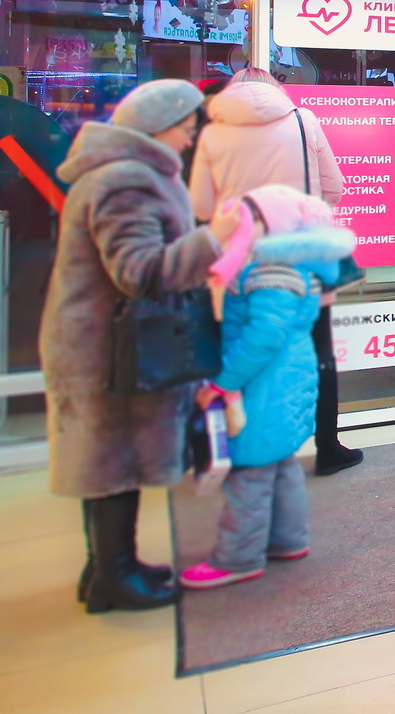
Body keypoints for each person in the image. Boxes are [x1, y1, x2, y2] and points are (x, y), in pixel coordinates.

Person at [41, 78, 243, 613]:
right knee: (113, 456)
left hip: (110, 340)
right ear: (158, 127)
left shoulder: (127, 173)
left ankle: (108, 568)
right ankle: (114, 575)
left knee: (109, 456)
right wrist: (214, 236)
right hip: (111, 347)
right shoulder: (126, 180)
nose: (191, 136)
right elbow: (138, 272)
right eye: (186, 126)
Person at [181, 185, 355, 590]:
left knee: (249, 474)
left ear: (269, 225)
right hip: (287, 377)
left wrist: (223, 382)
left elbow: (263, 337)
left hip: (264, 384)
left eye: (247, 217)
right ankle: (288, 538)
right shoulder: (296, 266)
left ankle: (237, 557)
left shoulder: (271, 272)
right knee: (279, 463)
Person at [190, 67, 360, 475]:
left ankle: (237, 449)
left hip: (239, 263)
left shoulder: (213, 132)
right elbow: (334, 188)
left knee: (240, 347)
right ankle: (327, 447)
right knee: (319, 352)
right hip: (301, 258)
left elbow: (200, 206)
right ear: (278, 90)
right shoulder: (303, 120)